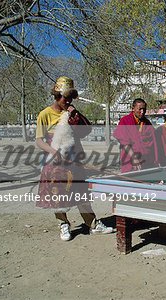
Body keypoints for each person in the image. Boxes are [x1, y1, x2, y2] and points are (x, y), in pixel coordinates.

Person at [36, 76, 113, 241]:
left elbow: (86, 130)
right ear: (57, 96)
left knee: (81, 192)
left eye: (71, 97)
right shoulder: (45, 114)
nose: (69, 100)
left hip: (74, 160)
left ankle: (93, 224)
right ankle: (63, 224)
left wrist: (75, 114)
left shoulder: (72, 114)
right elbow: (39, 141)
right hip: (54, 162)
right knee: (57, 195)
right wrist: (53, 152)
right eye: (66, 97)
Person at [113, 98, 159, 173]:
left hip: (146, 161)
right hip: (130, 160)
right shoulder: (125, 121)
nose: (142, 112)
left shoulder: (147, 123)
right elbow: (124, 142)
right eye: (140, 109)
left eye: (144, 109)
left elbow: (153, 143)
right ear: (133, 108)